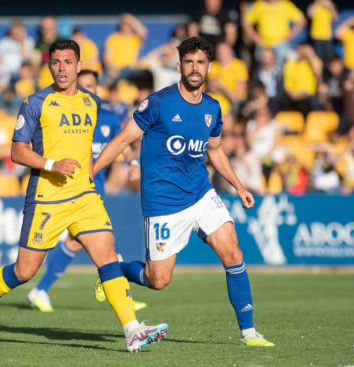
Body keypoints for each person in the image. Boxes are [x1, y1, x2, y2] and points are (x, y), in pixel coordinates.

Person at [0, 39, 168, 352]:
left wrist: (123, 162)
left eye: (68, 62)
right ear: (49, 66)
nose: (62, 68)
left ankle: (132, 329)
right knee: (24, 272)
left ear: (79, 66)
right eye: (56, 62)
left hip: (84, 196)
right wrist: (53, 164)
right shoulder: (36, 102)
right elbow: (17, 151)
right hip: (46, 198)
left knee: (107, 256)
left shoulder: (92, 103)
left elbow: (108, 139)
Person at [91, 37, 274, 347]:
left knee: (233, 252)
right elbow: (123, 140)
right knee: (157, 281)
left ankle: (249, 332)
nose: (194, 68)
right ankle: (116, 267)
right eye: (188, 62)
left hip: (201, 193)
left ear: (209, 68)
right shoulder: (158, 103)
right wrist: (91, 172)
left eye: (200, 62)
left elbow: (214, 151)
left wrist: (239, 185)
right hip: (163, 203)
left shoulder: (213, 108)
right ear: (179, 66)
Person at [27, 69, 144, 312]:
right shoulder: (67, 116)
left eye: (92, 85)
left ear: (98, 89)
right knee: (90, 246)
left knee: (84, 244)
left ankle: (42, 290)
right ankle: (42, 290)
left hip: (94, 191)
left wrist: (133, 163)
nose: (89, 89)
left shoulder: (109, 118)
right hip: (70, 190)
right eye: (84, 85)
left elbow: (122, 144)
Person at [242, 0, 306, 66]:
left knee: (284, 67)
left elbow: (302, 20)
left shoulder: (286, 5)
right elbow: (245, 22)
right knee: (262, 70)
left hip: (281, 44)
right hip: (264, 44)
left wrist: (291, 35)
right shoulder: (259, 5)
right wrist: (254, 37)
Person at [103, 13, 148, 83]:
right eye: (124, 23)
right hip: (116, 71)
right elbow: (107, 57)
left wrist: (130, 18)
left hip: (131, 71)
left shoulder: (136, 38)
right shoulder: (113, 38)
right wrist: (111, 68)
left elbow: (143, 32)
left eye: (128, 24)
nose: (126, 26)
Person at [282, 42, 322, 117]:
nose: (301, 52)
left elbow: (318, 71)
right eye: (299, 49)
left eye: (303, 49)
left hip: (311, 96)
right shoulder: (290, 64)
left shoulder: (312, 62)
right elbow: (288, 85)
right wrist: (294, 94)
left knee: (313, 103)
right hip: (296, 96)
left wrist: (310, 54)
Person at [207, 42, 248, 115]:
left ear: (230, 52)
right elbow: (212, 88)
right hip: (219, 98)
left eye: (223, 52)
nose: (220, 55)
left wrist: (223, 87)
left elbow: (239, 93)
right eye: (219, 52)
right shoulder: (213, 66)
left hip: (236, 101)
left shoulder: (239, 65)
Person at [246, 105, 283, 183]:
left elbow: (277, 142)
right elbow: (250, 142)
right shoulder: (251, 124)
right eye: (259, 114)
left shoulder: (274, 124)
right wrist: (258, 127)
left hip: (272, 153)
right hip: (256, 154)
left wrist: (267, 154)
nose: (261, 117)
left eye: (264, 114)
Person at [249, 48, 285, 116]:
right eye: (265, 58)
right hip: (258, 101)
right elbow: (253, 89)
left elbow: (281, 92)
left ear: (274, 58)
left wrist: (265, 100)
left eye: (269, 58)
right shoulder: (256, 73)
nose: (267, 61)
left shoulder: (279, 72)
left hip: (275, 102)